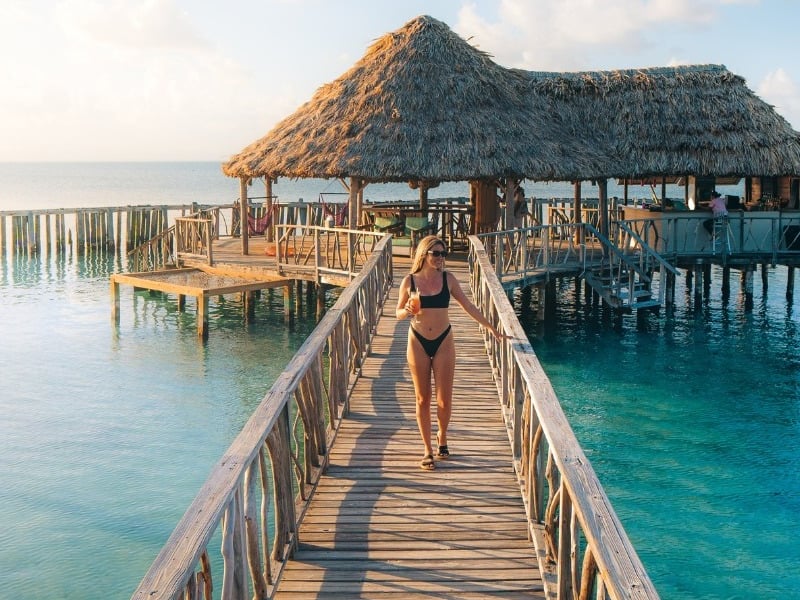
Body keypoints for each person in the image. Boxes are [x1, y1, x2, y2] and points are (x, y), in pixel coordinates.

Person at [395, 235, 506, 471]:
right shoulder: (409, 281)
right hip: (417, 340)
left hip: (444, 340)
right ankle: (427, 450)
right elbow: (398, 314)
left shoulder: (449, 279)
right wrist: (406, 311)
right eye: (436, 254)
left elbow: (468, 306)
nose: (441, 258)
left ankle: (442, 437)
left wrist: (491, 328)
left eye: (443, 254)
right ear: (424, 254)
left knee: (444, 400)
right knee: (422, 398)